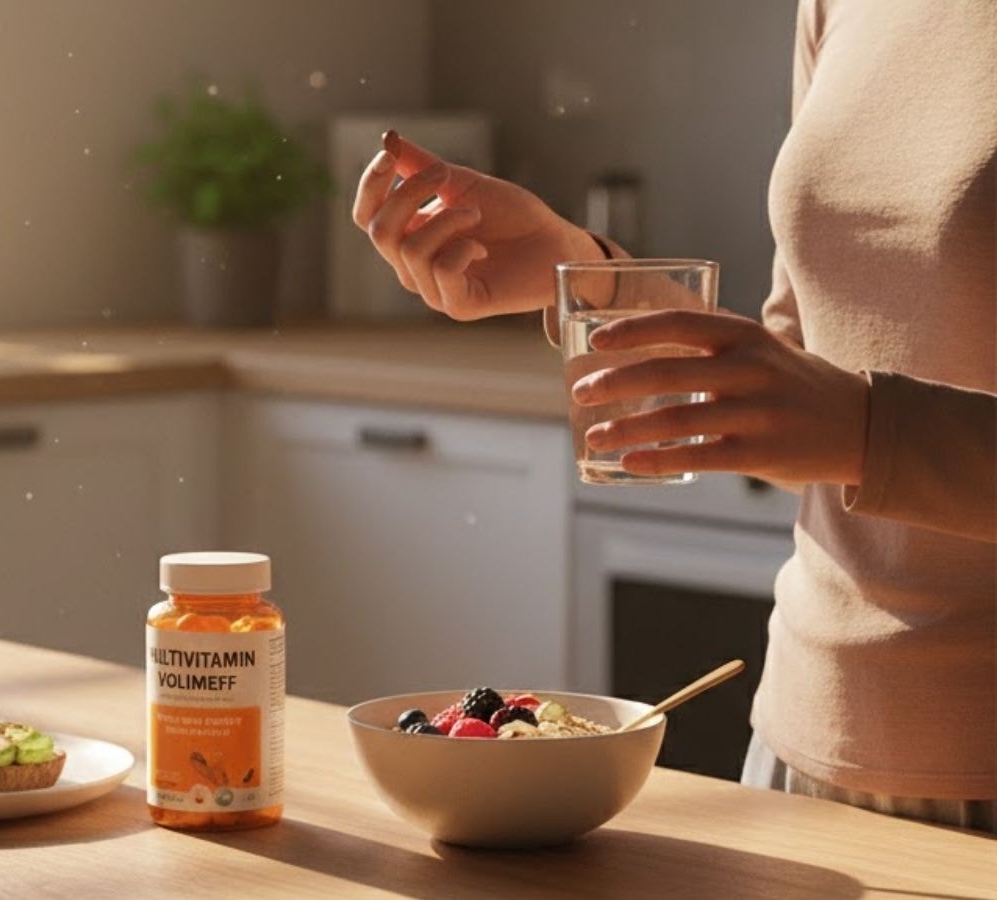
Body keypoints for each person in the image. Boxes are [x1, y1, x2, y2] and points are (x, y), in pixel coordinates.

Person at [352, 0, 994, 831]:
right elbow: (800, 393)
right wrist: (585, 275)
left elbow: (850, 423)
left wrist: (869, 431)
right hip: (802, 747)